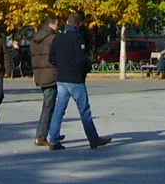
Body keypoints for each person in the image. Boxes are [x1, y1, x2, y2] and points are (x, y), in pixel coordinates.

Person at [46, 12, 111, 151]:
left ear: (67, 23)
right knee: (84, 110)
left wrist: (61, 66)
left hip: (61, 78)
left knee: (59, 110)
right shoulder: (77, 38)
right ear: (78, 24)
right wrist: (86, 69)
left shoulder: (58, 38)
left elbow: (51, 58)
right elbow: (82, 59)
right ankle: (93, 139)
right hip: (75, 79)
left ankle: (53, 140)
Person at [30, 16, 59, 147]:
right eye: (57, 25)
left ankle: (51, 132)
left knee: (49, 105)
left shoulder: (35, 39)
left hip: (40, 74)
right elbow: (56, 56)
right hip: (51, 74)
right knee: (48, 106)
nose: (58, 27)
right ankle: (41, 136)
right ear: (52, 25)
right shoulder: (52, 38)